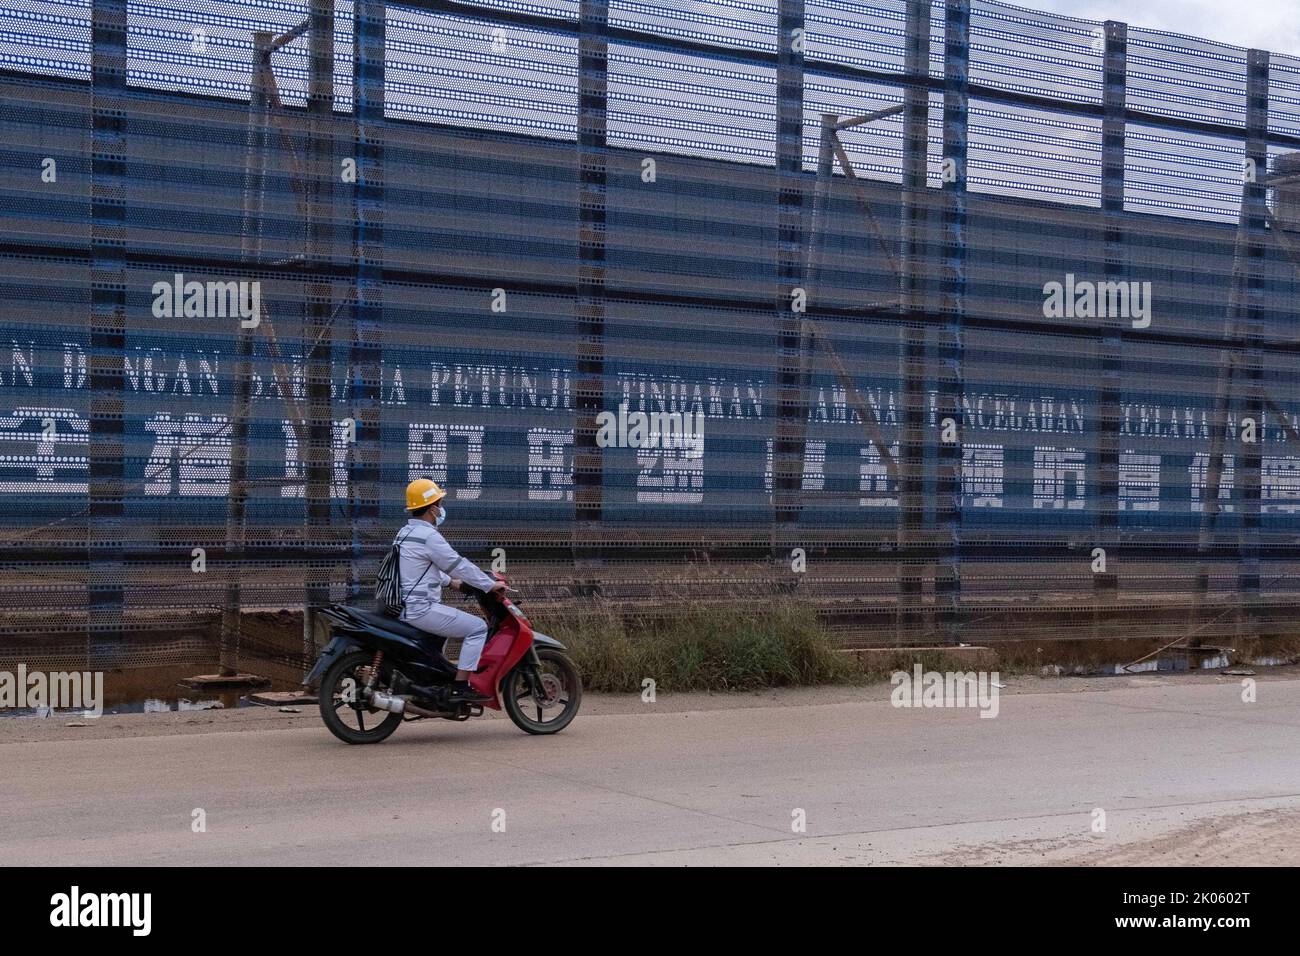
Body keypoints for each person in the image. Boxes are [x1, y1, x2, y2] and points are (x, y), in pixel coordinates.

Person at [396, 478, 505, 705]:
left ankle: (434, 685)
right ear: (432, 508)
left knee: (444, 630)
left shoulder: (405, 533)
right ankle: (460, 687)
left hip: (405, 605)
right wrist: (488, 584)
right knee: (477, 628)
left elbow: (420, 568)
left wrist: (450, 583)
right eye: (440, 503)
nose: (441, 508)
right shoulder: (429, 537)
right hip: (421, 609)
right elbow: (457, 564)